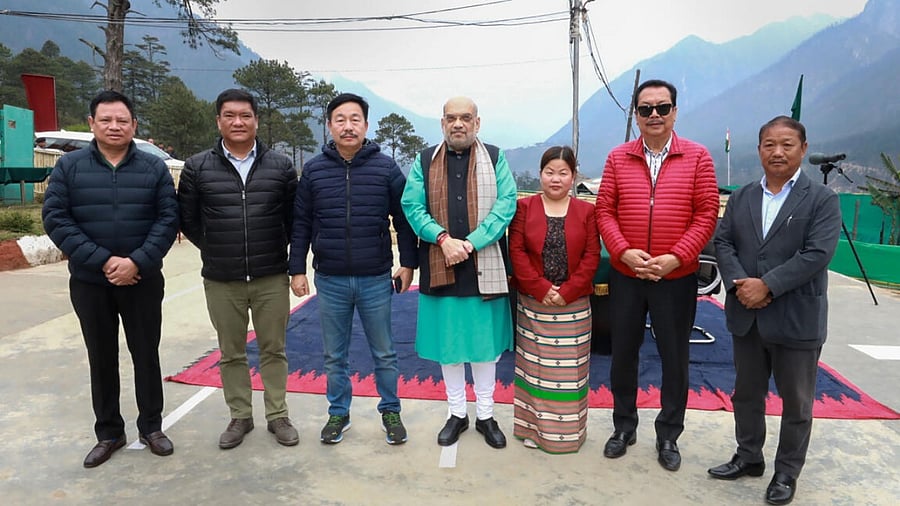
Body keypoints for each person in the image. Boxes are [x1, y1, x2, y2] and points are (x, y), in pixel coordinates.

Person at [42, 90, 179, 467]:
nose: (114, 126)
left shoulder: (153, 169)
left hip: (143, 280)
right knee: (101, 357)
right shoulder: (69, 168)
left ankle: (152, 426)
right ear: (92, 124)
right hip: (90, 283)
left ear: (134, 125)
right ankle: (109, 433)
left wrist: (137, 262)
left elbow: (168, 220)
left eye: (122, 120)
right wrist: (103, 261)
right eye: (106, 120)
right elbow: (56, 219)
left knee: (145, 354)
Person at [709, 116, 841, 505]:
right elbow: (724, 243)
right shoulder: (743, 196)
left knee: (796, 401)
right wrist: (740, 283)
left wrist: (767, 285)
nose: (777, 152)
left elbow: (817, 254)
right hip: (746, 315)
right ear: (760, 149)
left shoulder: (822, 199)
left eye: (786, 144)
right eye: (769, 144)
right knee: (746, 393)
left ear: (803, 148)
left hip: (796, 317)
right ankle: (748, 456)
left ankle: (786, 472)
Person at [595, 79, 719, 471]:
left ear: (675, 112)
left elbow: (706, 213)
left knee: (675, 357)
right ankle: (623, 427)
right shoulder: (617, 158)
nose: (654, 115)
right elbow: (604, 211)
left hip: (676, 276)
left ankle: (668, 435)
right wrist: (623, 252)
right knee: (623, 354)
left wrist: (676, 257)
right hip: (626, 274)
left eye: (662, 108)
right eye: (646, 108)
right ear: (635, 113)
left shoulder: (698, 157)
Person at [289, 93, 418, 445]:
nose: (348, 126)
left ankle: (391, 410)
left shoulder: (385, 168)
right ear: (329, 125)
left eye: (355, 119)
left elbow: (404, 220)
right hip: (330, 278)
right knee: (335, 355)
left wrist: (408, 263)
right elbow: (301, 222)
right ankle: (338, 414)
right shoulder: (314, 170)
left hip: (375, 276)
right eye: (340, 119)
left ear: (366, 124)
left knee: (385, 352)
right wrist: (296, 268)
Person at [177, 88, 299, 449]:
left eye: (245, 115)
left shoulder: (280, 166)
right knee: (230, 352)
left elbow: (293, 221)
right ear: (218, 121)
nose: (238, 122)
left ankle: (278, 415)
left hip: (271, 276)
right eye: (229, 115)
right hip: (221, 278)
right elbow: (190, 221)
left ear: (256, 121)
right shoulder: (197, 167)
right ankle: (240, 416)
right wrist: (219, 249)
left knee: (273, 350)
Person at [401, 96, 517, 449]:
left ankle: (485, 415)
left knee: (485, 349)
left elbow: (506, 204)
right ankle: (456, 413)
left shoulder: (495, 158)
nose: (458, 124)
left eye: (465, 117)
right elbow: (412, 205)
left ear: (477, 123)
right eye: (451, 118)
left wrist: (470, 243)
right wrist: (443, 239)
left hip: (485, 266)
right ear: (442, 124)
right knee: (448, 347)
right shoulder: (424, 161)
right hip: (440, 264)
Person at [508, 146, 601, 453]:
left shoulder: (587, 212)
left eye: (563, 173)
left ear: (573, 177)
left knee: (569, 373)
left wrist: (567, 291)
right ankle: (533, 431)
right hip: (534, 305)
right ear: (540, 174)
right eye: (550, 172)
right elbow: (517, 251)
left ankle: (568, 434)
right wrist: (540, 288)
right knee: (535, 370)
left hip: (573, 307)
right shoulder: (524, 208)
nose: (556, 179)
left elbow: (591, 256)